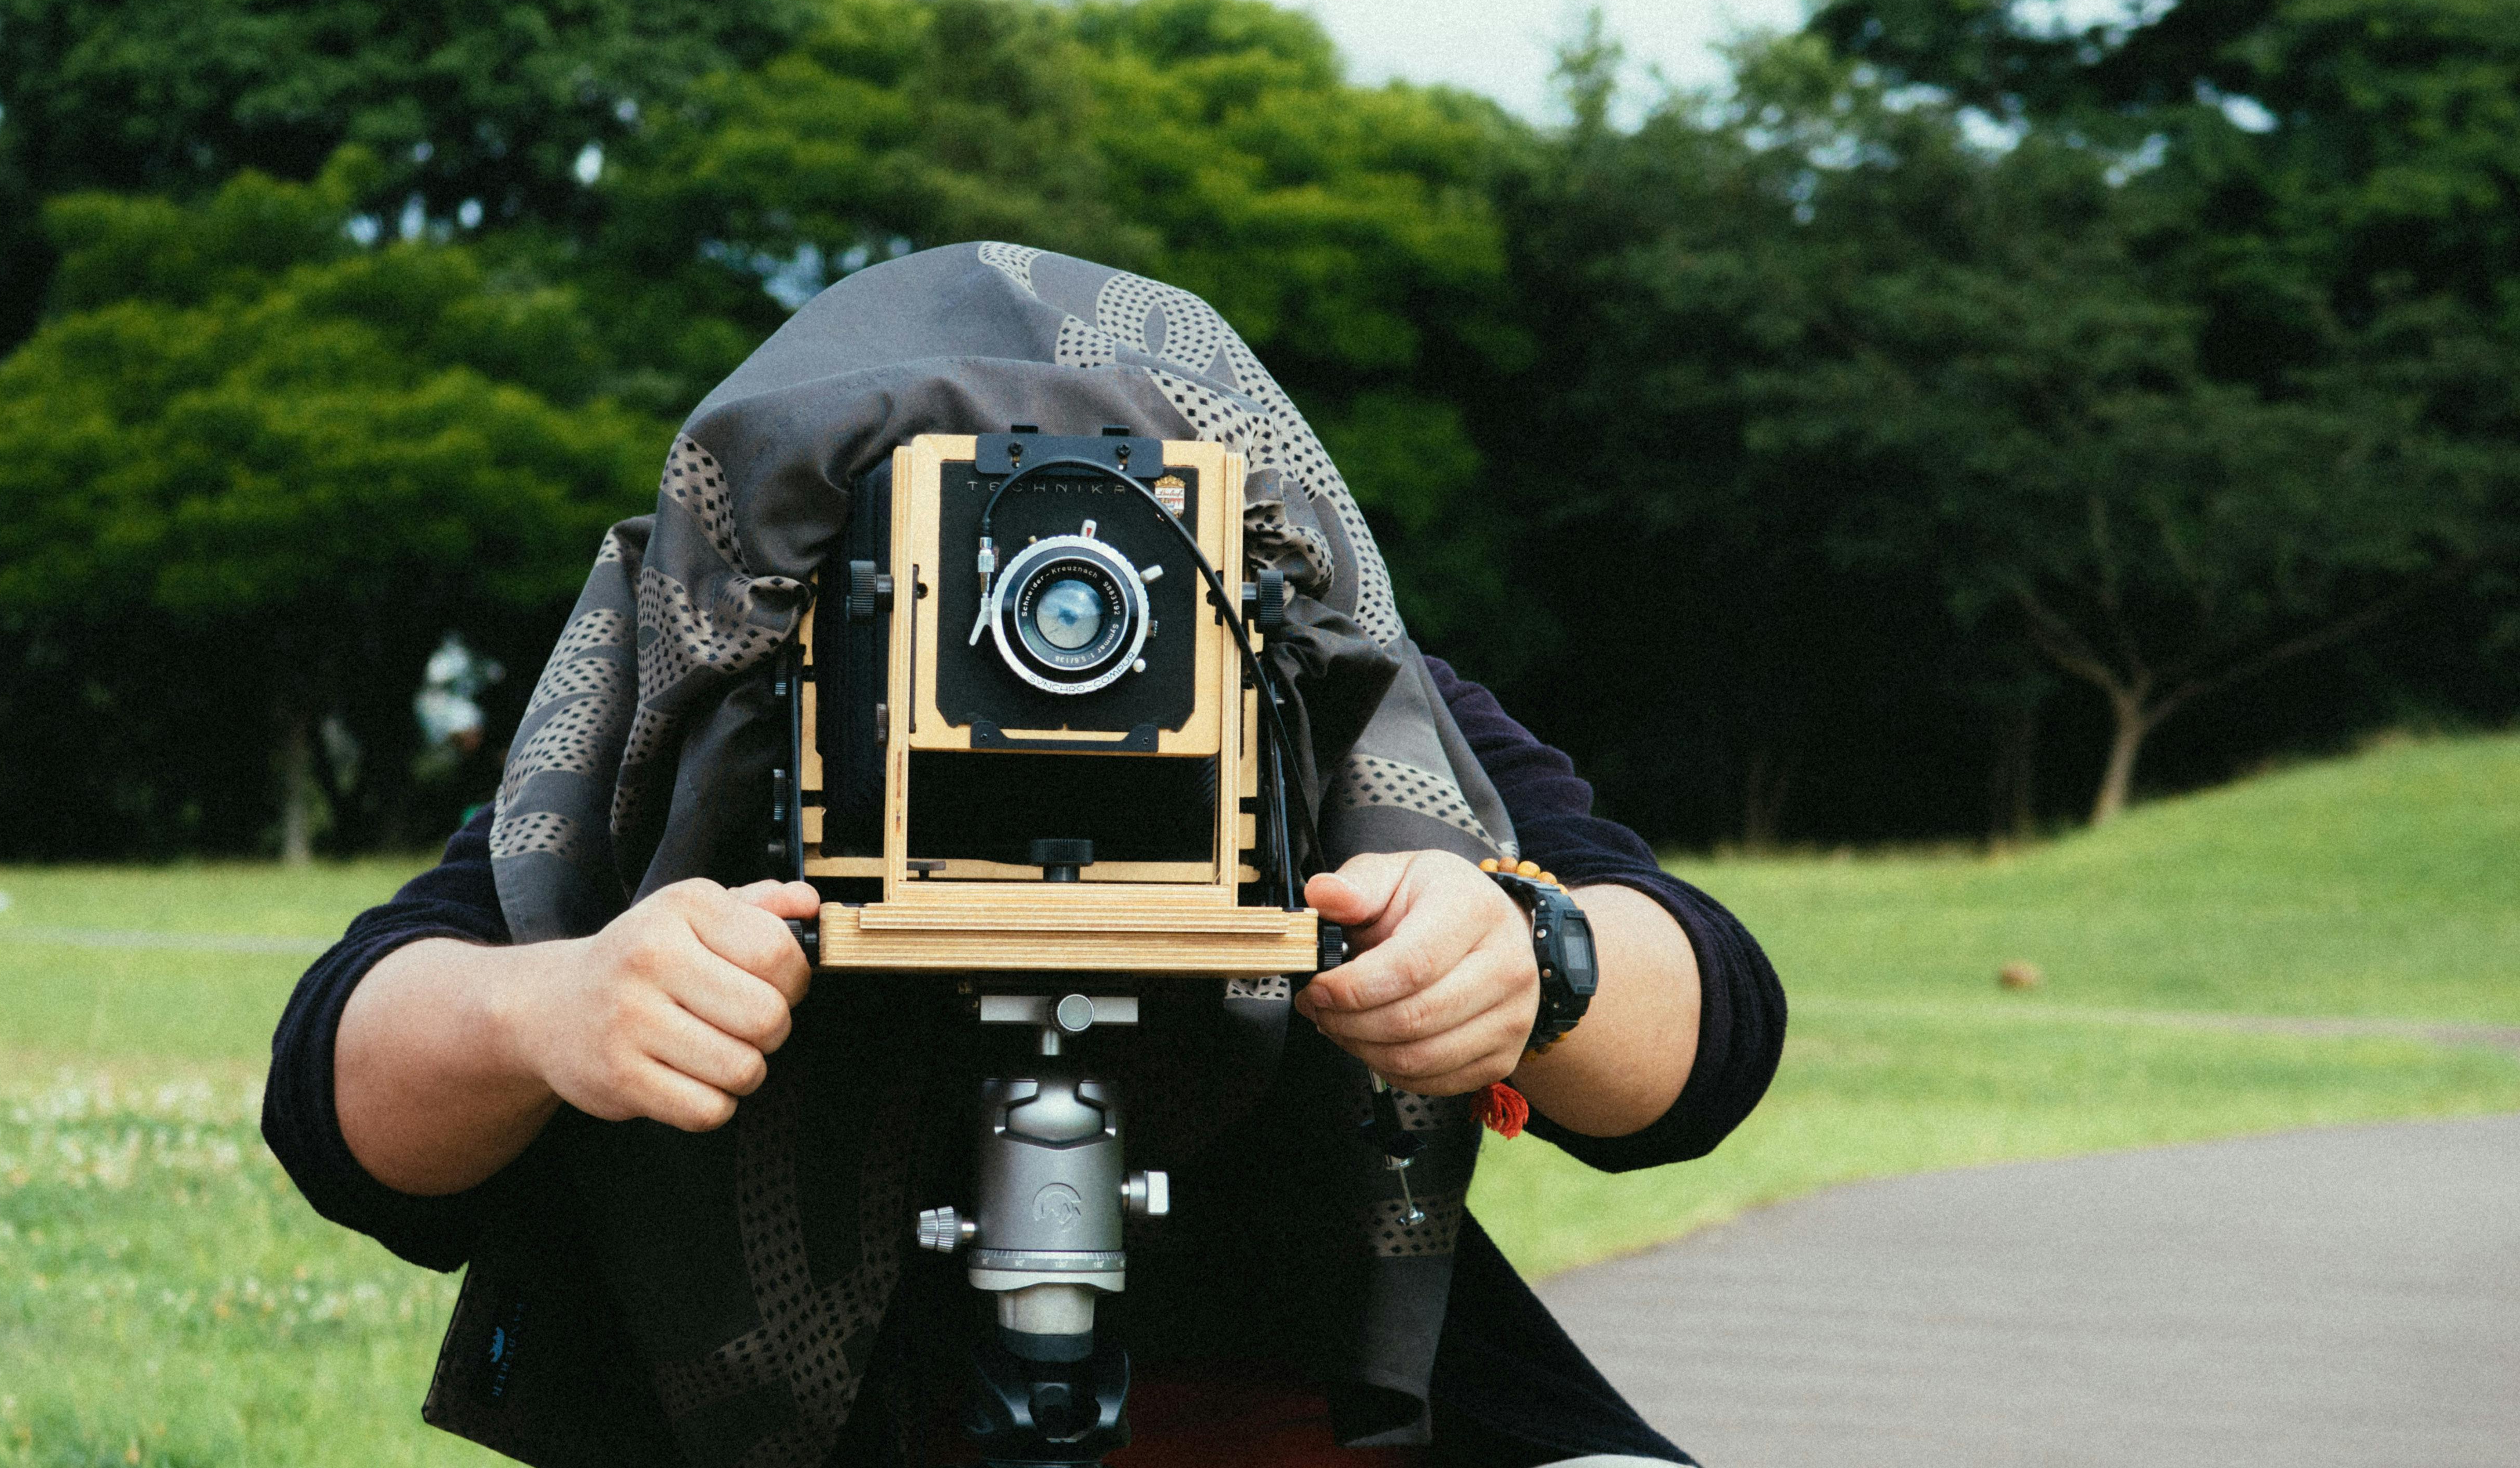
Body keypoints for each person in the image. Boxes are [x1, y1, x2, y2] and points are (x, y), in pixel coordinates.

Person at [262, 244, 1785, 1468]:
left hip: (1266, 1379)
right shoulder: (706, 712)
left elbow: (1705, 1027)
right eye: (942, 570)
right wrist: (551, 1010)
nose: (1055, 625)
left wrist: (1532, 965)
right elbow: (342, 1099)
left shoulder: (1306, 683)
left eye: (1122, 559)